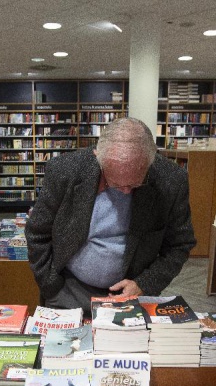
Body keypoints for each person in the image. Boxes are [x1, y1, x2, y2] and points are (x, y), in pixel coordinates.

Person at [26, 117, 196, 314]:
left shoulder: (171, 181)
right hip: (67, 289)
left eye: (134, 185)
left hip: (131, 293)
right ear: (97, 157)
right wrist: (51, 284)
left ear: (151, 162)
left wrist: (144, 284)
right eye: (114, 183)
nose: (124, 192)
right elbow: (37, 232)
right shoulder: (65, 170)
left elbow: (179, 245)